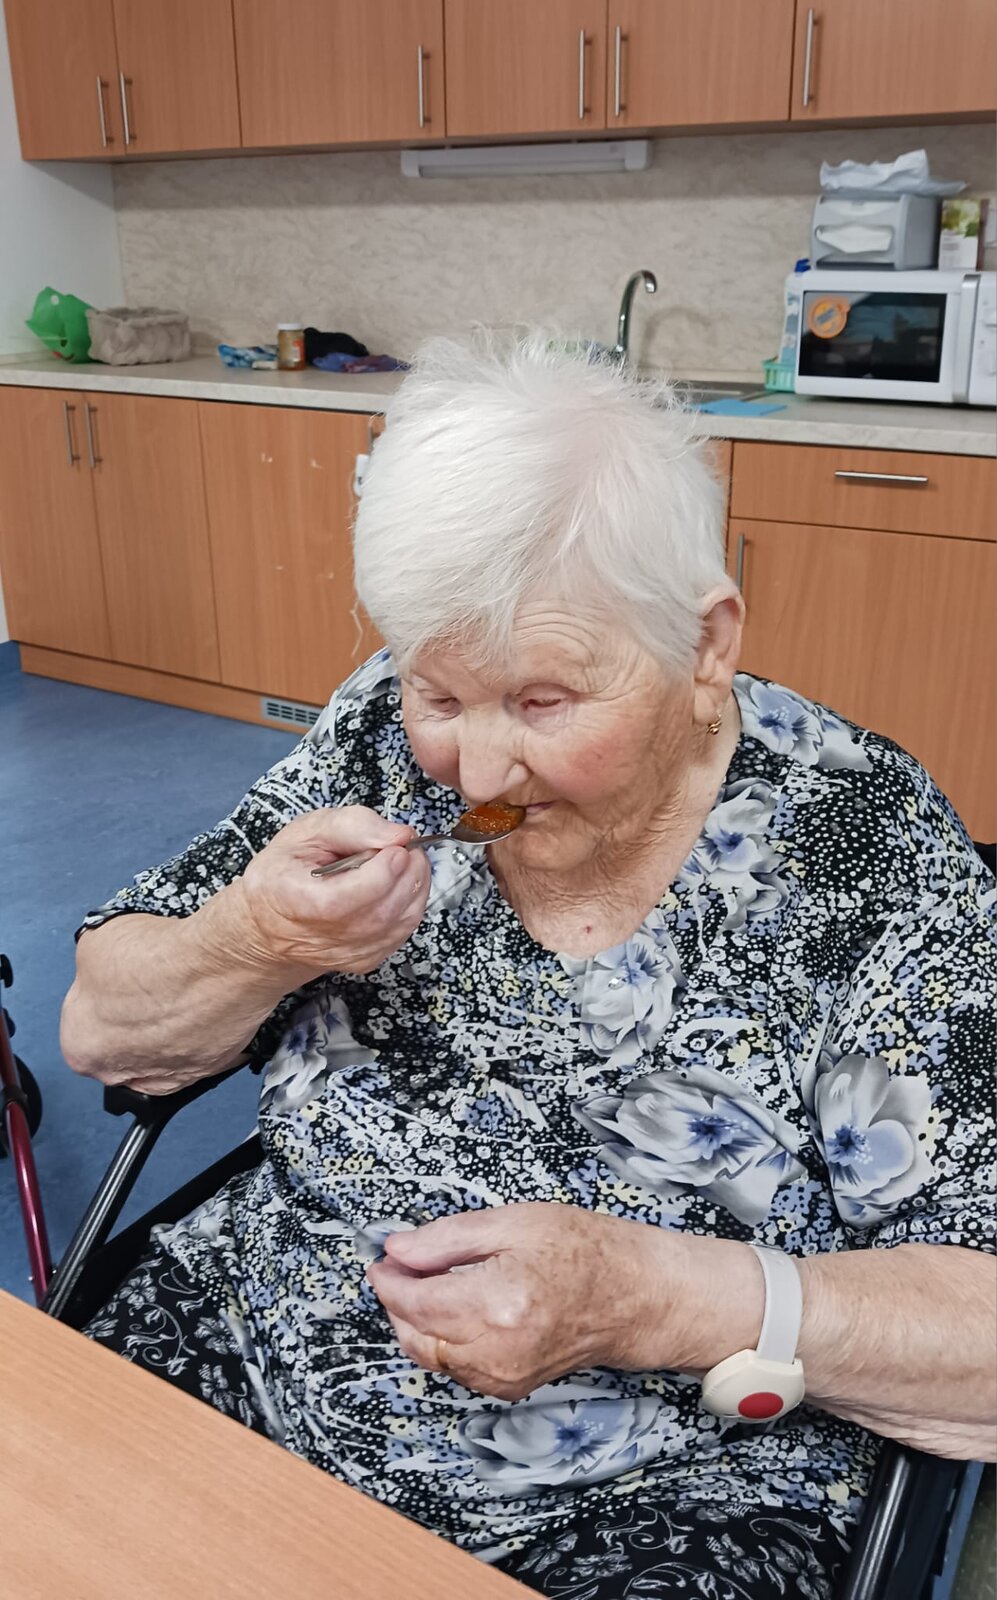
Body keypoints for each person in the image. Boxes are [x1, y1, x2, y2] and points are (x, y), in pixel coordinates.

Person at [63, 334, 996, 1599]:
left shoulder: (860, 848)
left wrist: (646, 1295)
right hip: (251, 1340)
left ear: (704, 642)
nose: (478, 770)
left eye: (544, 701)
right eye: (441, 697)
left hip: (661, 1484)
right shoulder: (376, 734)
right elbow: (105, 1031)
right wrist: (254, 941)